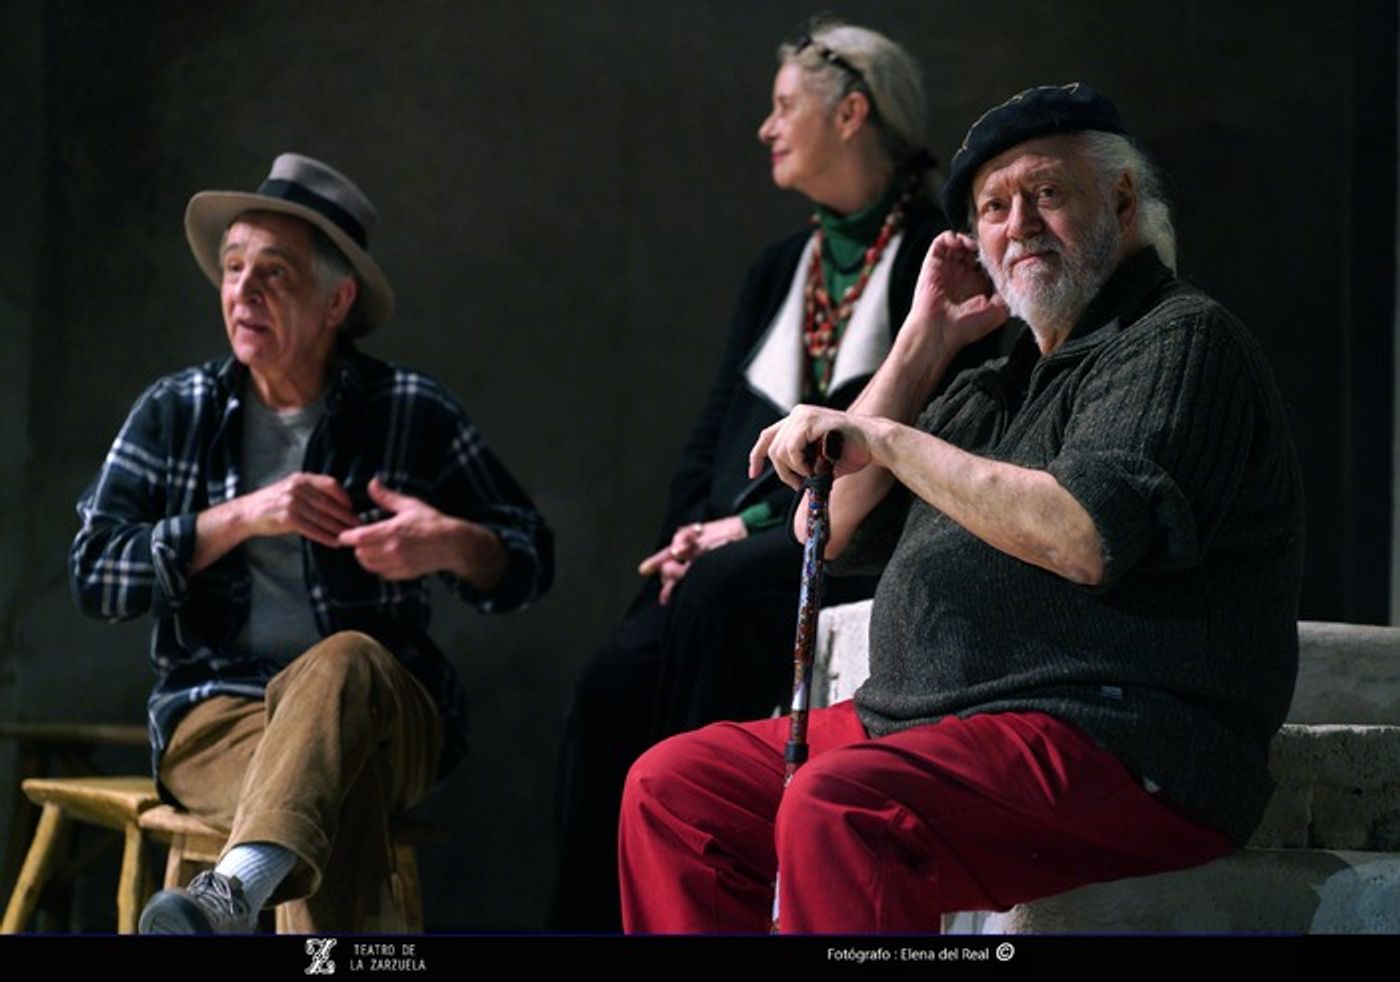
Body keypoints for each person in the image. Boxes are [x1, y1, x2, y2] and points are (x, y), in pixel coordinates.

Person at [617, 83, 1305, 933]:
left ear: (1124, 202)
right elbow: (822, 528)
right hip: (926, 728)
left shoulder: (1177, 338)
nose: (1018, 225)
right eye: (993, 208)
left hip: (1117, 738)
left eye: (1046, 193)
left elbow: (1084, 535)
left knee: (846, 806)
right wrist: (922, 341)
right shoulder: (992, 387)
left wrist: (890, 440)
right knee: (675, 790)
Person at [547, 20, 1003, 932]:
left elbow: (929, 434)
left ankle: (715, 885)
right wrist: (688, 530)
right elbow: (714, 426)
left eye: (785, 105)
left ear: (852, 113)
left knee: (719, 596)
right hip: (730, 547)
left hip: (859, 542)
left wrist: (744, 529)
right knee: (609, 684)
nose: (767, 127)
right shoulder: (779, 269)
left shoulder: (938, 258)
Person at [69, 153, 554, 933]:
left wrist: (451, 544)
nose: (243, 291)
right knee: (330, 789)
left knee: (346, 660)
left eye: (274, 273)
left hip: (391, 720)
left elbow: (530, 561)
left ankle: (227, 899)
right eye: (233, 268)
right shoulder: (176, 410)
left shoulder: (410, 410)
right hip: (218, 719)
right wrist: (241, 516)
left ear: (338, 301)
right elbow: (95, 575)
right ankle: (240, 893)